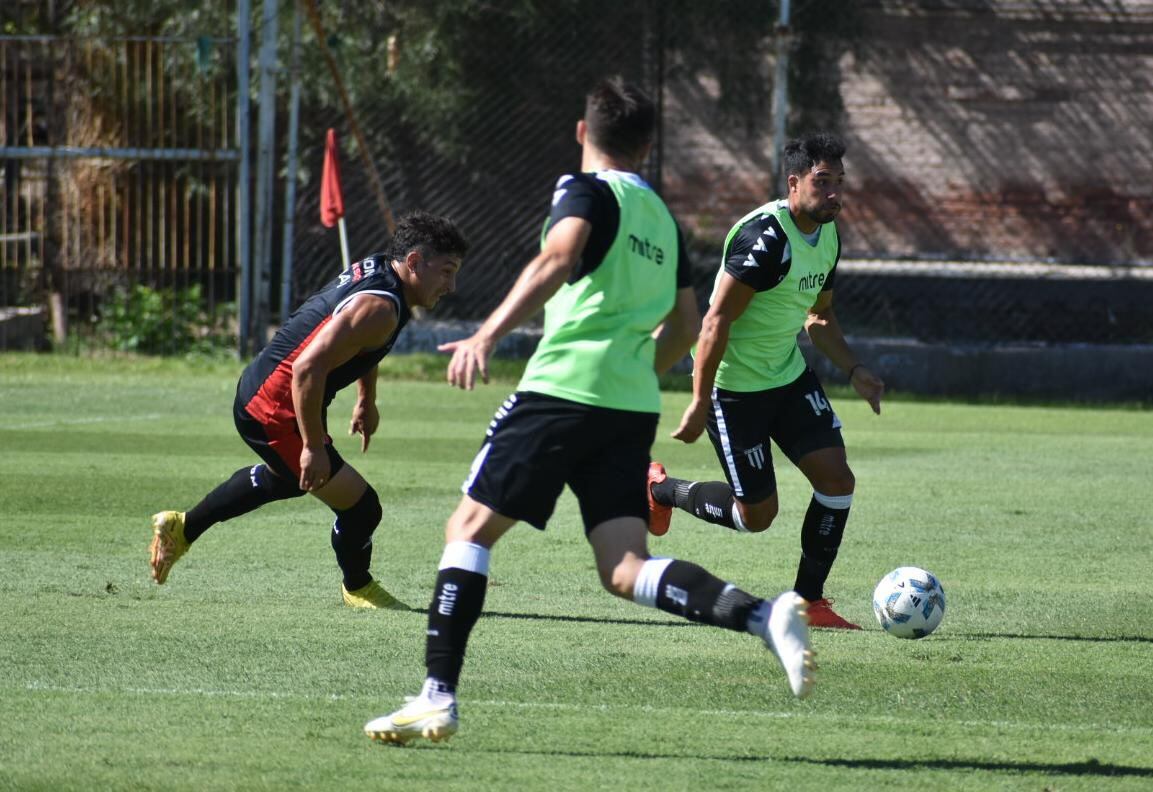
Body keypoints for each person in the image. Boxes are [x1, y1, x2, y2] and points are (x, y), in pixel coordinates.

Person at [363, 77, 816, 747]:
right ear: (648, 144)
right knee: (623, 568)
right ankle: (761, 614)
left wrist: (487, 334)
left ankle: (437, 697)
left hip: (561, 390)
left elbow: (559, 254)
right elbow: (687, 322)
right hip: (628, 405)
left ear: (583, 134)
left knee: (467, 528)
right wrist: (637, 372)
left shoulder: (585, 190)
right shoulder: (662, 216)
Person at [148, 211, 469, 609]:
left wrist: (366, 400)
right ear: (415, 262)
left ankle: (181, 527)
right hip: (275, 407)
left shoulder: (386, 276)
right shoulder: (380, 308)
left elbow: (361, 346)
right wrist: (313, 446)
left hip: (262, 388)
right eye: (447, 271)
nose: (452, 286)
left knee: (286, 480)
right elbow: (307, 367)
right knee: (362, 507)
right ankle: (358, 587)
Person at [647, 132, 885, 630]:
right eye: (823, 182)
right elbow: (714, 322)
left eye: (840, 182)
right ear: (794, 182)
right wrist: (697, 400)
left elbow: (818, 318)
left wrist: (855, 370)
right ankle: (662, 491)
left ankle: (808, 602)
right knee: (756, 516)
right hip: (733, 390)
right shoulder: (766, 238)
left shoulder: (830, 235)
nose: (834, 192)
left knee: (838, 480)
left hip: (787, 376)